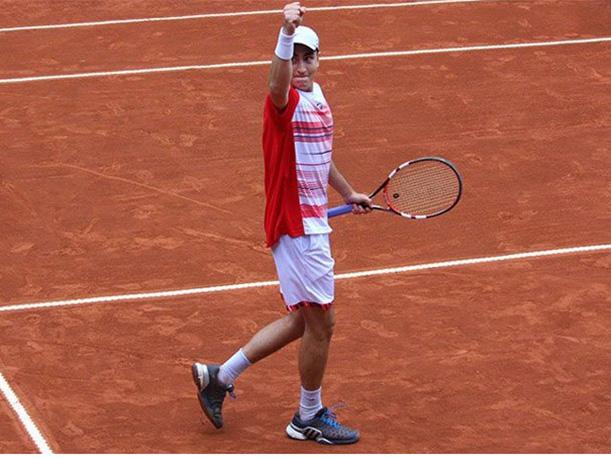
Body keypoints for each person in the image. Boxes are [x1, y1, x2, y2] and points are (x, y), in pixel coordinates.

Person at [192, 2, 371, 445]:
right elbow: (275, 83)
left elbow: (320, 156)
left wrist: (347, 193)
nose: (300, 66)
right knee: (322, 324)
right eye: (293, 58)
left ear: (318, 60)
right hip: (297, 225)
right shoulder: (283, 100)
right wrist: (286, 33)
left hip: (311, 222)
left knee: (301, 321)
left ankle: (220, 376)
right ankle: (307, 416)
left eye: (307, 57)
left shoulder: (317, 96)